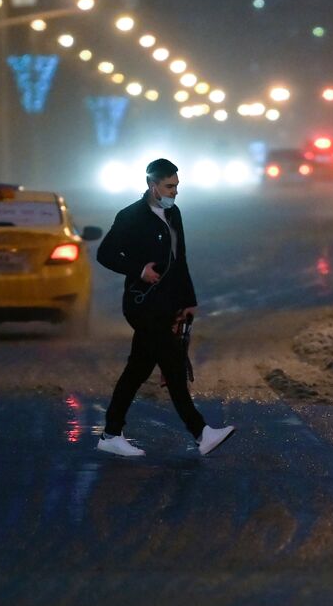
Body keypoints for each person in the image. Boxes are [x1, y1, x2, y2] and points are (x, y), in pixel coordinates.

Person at [94, 158, 235, 458]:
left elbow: (180, 259)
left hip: (167, 302)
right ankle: (201, 432)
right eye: (169, 186)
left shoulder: (174, 214)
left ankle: (111, 434)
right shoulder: (130, 216)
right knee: (172, 364)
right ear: (152, 185)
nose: (175, 192)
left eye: (177, 186)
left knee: (137, 369)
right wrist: (138, 269)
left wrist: (188, 301)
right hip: (141, 304)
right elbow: (104, 253)